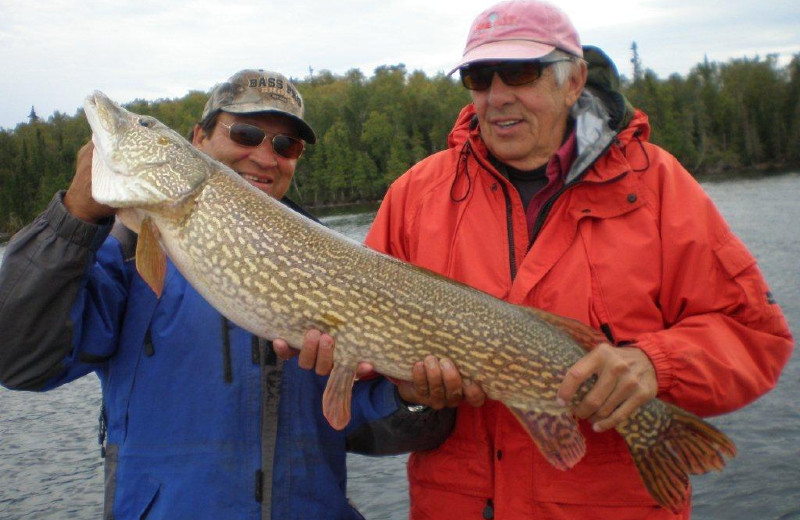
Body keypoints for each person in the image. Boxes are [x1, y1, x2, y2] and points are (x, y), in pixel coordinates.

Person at [363, 2, 794, 519]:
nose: (498, 96)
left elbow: (754, 336)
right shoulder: (417, 194)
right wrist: (411, 393)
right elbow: (363, 346)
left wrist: (656, 364)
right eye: (479, 77)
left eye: (521, 73)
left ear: (574, 80)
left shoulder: (655, 186)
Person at [0, 69, 458, 520]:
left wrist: (414, 399)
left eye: (286, 145)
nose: (265, 156)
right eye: (245, 133)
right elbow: (19, 361)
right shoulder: (121, 256)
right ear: (197, 138)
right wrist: (73, 218)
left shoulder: (330, 266)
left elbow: (362, 429)